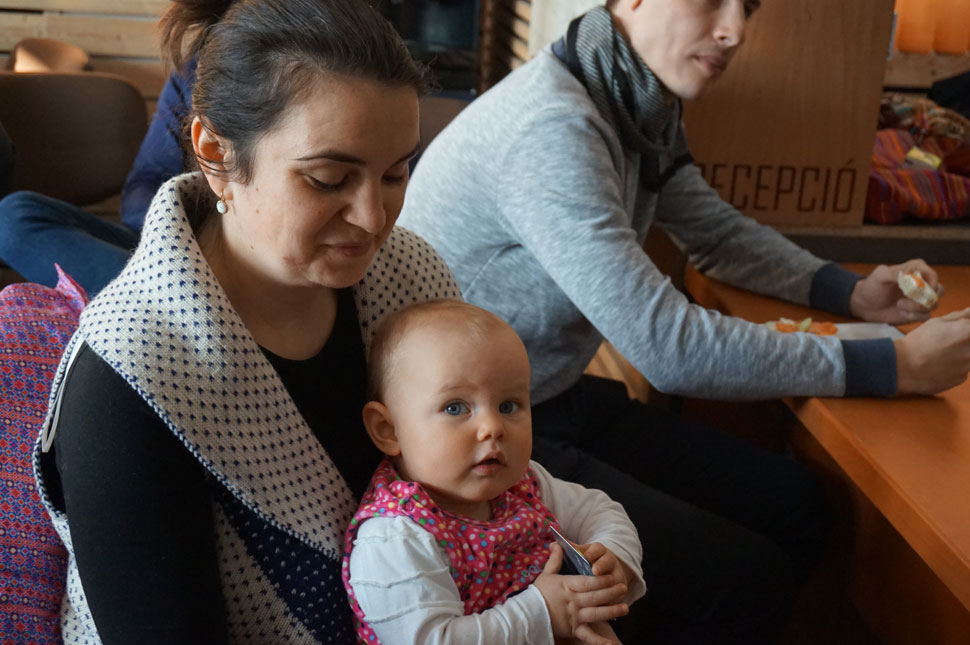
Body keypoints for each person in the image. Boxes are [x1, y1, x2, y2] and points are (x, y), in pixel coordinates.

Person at [397, 0, 970, 641]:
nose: (735, 31)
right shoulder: (553, 126)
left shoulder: (634, 99)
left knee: (800, 505)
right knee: (748, 579)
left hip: (546, 394)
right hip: (481, 436)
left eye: (746, 8)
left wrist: (853, 293)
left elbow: (713, 233)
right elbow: (667, 346)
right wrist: (894, 364)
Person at [33, 0, 460, 642]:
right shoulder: (128, 374)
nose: (374, 218)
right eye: (328, 179)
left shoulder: (411, 276)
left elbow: (487, 481)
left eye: (396, 172)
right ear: (215, 154)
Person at [342, 300, 645, 644]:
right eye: (455, 408)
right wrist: (543, 613)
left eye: (508, 406)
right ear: (389, 430)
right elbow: (433, 639)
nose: (492, 427)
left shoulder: (522, 484)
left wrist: (612, 554)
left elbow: (599, 510)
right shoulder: (395, 538)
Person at [0, 58, 193, 297]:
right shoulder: (191, 70)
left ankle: (166, 298)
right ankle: (165, 295)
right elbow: (149, 176)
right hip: (168, 240)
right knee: (11, 219)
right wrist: (163, 233)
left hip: (220, 252)